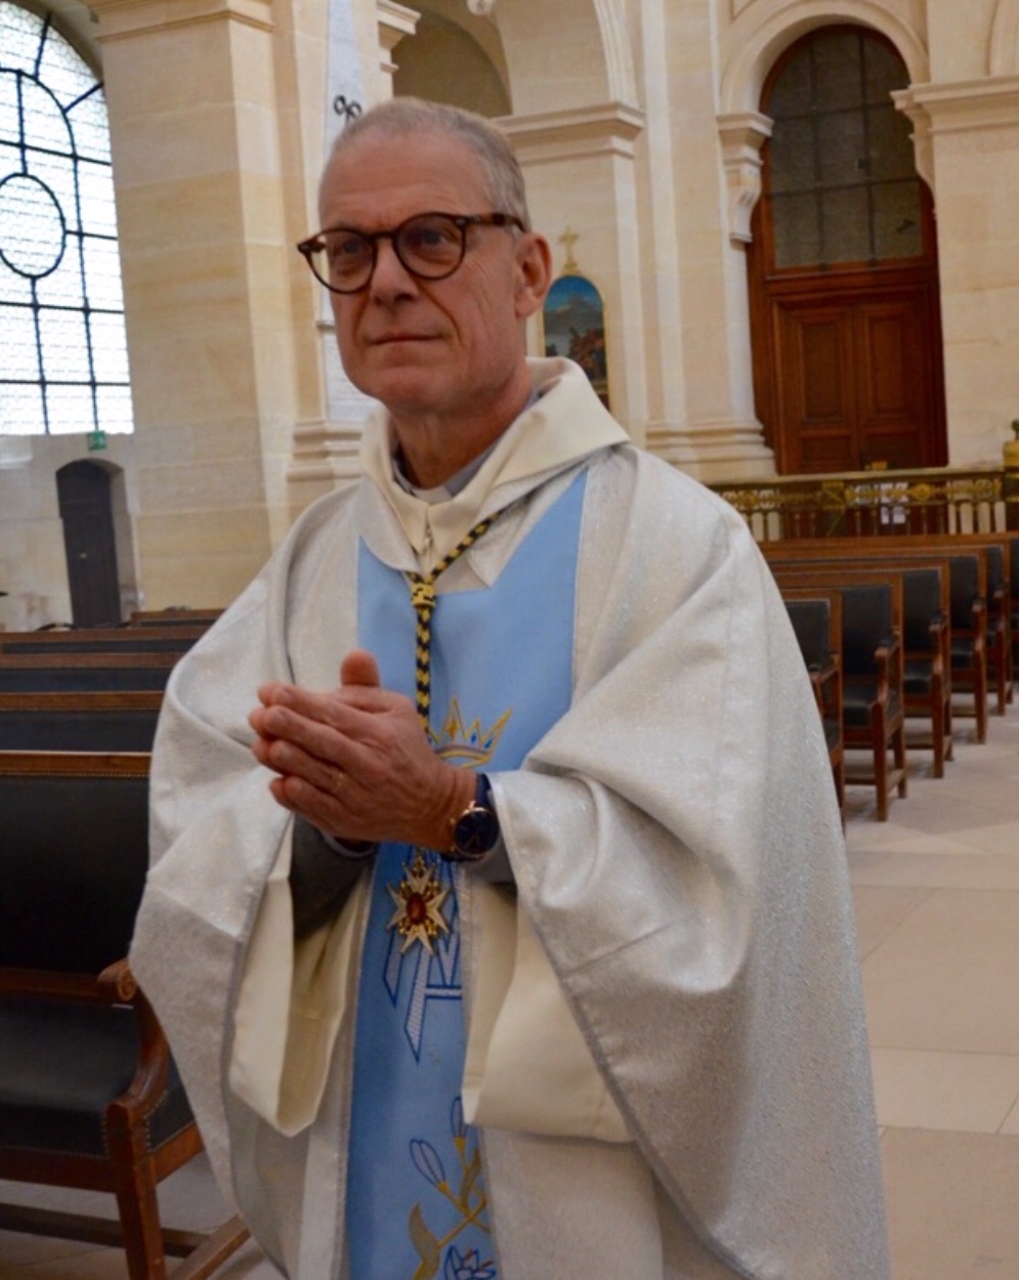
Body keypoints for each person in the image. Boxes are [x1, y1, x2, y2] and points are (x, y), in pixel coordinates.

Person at [130, 97, 890, 1280]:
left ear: (528, 268)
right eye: (347, 249)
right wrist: (326, 828)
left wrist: (451, 809)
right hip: (368, 1104)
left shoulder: (672, 549)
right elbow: (198, 837)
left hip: (587, 1160)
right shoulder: (312, 561)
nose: (383, 282)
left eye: (430, 237)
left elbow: (720, 891)